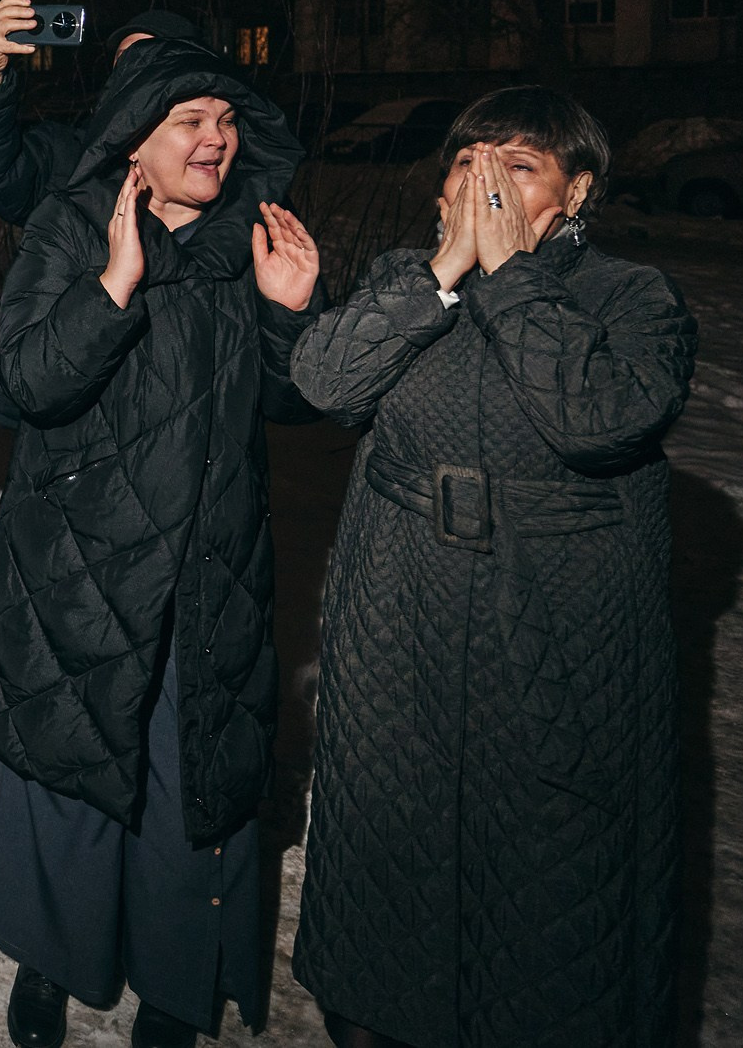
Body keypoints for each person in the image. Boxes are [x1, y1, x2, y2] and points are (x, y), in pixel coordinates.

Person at [288, 89, 696, 1048]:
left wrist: (510, 273)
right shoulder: (410, 278)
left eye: (518, 167)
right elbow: (324, 380)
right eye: (468, 165)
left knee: (547, 909)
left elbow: (596, 415)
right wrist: (441, 273)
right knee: (388, 890)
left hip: (553, 643)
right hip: (401, 633)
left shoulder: (633, 298)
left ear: (578, 192)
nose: (485, 186)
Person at [0, 35, 321, 1048]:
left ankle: (175, 985)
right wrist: (110, 287)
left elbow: (296, 403)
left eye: (224, 119)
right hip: (74, 567)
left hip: (206, 570)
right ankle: (50, 961)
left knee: (188, 782)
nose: (215, 139)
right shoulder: (71, 226)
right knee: (67, 776)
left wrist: (293, 316)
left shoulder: (248, 235)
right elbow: (27, 383)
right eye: (189, 122)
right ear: (133, 142)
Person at [0, 1, 201, 226]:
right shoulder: (74, 159)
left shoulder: (219, 157)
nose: (131, 71)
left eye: (146, 59)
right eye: (123, 60)